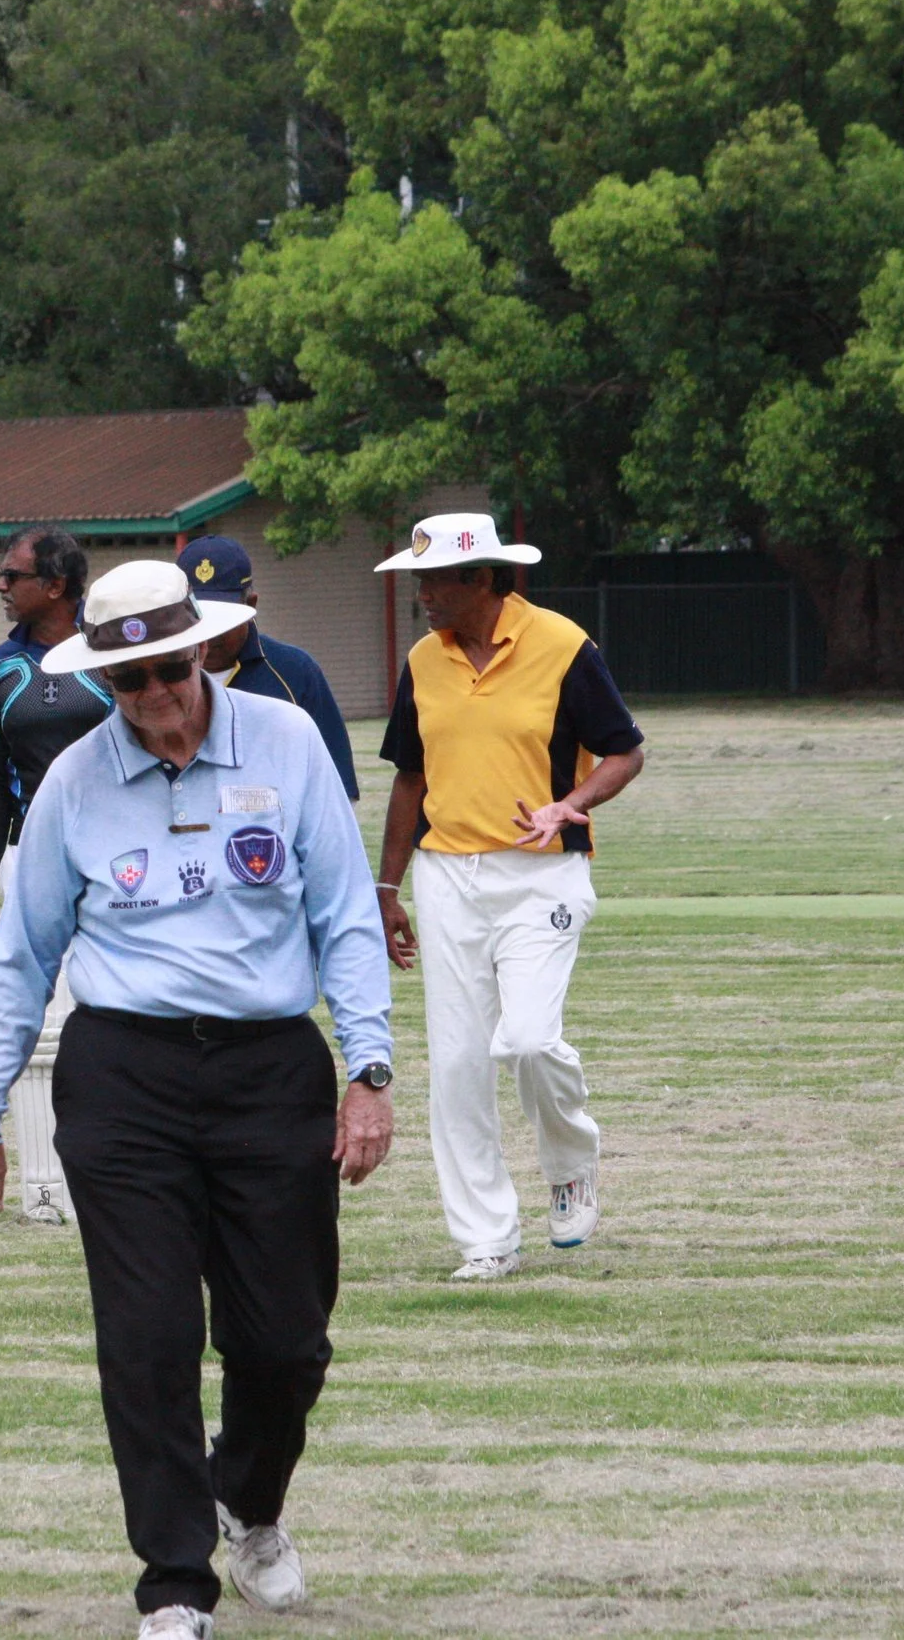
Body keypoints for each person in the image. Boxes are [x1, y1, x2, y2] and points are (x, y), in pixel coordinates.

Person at [0, 560, 395, 1637]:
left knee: (285, 1339)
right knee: (147, 1336)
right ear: (102, 679)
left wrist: (368, 1070)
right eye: (127, 677)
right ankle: (175, 1582)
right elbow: (21, 959)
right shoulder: (72, 783)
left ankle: (249, 1499)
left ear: (203, 650)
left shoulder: (288, 743)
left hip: (269, 1068)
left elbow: (344, 914)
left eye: (168, 668)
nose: (153, 693)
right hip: (124, 1077)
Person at [371, 513, 646, 1281]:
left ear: (483, 578)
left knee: (525, 1039)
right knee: (458, 1062)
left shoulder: (563, 645)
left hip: (542, 871)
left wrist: (571, 804)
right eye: (418, 580)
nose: (423, 595)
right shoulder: (423, 660)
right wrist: (387, 886)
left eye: (435, 580)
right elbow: (410, 778)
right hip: (446, 875)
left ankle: (570, 1163)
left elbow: (626, 752)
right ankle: (485, 1239)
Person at [0, 524, 112, 1225]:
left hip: (113, 856)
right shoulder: (1, 666)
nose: (2, 586)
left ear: (55, 586)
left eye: (14, 576)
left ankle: (105, 1169)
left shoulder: (110, 653)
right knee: (33, 1014)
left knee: (102, 1012)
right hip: (29, 857)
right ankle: (45, 1188)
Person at [181, 534, 361, 802]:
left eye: (223, 616)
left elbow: (337, 790)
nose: (211, 631)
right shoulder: (148, 679)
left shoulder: (296, 672)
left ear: (251, 604)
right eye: (197, 613)